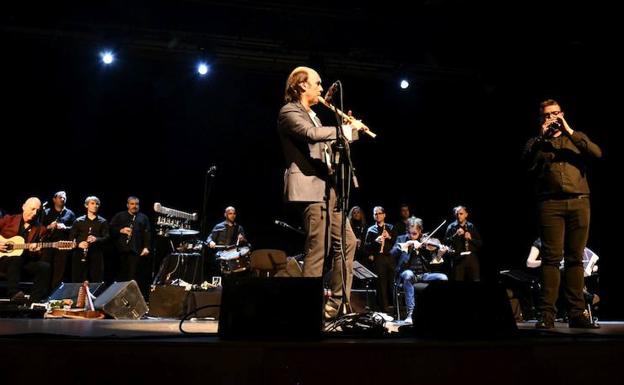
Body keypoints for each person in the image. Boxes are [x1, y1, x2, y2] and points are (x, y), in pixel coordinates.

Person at [277, 66, 367, 318]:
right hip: (309, 187)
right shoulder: (289, 112)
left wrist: (352, 133)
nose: (320, 88)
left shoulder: (315, 115)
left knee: (348, 242)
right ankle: (306, 310)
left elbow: (328, 150)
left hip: (329, 187)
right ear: (302, 85)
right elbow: (310, 135)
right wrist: (343, 131)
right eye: (317, 83)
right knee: (319, 248)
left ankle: (336, 305)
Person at [522, 99, 602, 329]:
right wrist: (541, 137)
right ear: (542, 118)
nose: (552, 118)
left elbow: (596, 153)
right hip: (550, 205)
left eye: (556, 113)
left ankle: (577, 314)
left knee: (575, 258)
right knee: (551, 259)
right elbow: (525, 163)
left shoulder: (575, 138)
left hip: (579, 202)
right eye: (548, 115)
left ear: (562, 114)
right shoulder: (536, 143)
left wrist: (568, 129)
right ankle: (547, 315)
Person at [391, 217, 449, 323]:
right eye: (410, 233)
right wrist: (407, 244)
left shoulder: (426, 242)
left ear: (420, 231)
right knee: (408, 274)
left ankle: (439, 312)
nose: (412, 236)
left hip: (424, 274)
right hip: (407, 274)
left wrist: (440, 254)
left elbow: (434, 262)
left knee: (443, 277)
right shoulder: (401, 239)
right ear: (407, 231)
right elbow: (392, 253)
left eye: (415, 234)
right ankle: (410, 313)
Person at [0, 197, 51, 302]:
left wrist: (35, 251)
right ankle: (14, 294)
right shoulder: (8, 220)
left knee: (44, 267)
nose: (34, 213)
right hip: (3, 261)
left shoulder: (41, 229)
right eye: (32, 209)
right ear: (23, 206)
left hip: (23, 263)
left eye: (37, 210)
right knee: (15, 259)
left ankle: (33, 303)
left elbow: (39, 254)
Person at [110, 196, 151, 288]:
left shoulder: (143, 217)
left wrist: (146, 247)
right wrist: (121, 230)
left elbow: (147, 233)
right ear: (127, 205)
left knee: (133, 277)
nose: (134, 206)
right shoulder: (119, 216)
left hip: (136, 251)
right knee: (119, 276)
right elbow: (110, 229)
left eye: (136, 204)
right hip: (119, 251)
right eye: (132, 204)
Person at [69, 196, 109, 283]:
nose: (95, 206)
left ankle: (95, 297)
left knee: (96, 279)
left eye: (97, 204)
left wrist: (96, 239)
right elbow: (71, 238)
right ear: (86, 205)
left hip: (96, 253)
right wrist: (79, 244)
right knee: (78, 278)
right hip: (79, 253)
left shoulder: (103, 221)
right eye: (92, 203)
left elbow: (107, 238)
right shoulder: (78, 221)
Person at [364, 206, 396, 314]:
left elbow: (397, 243)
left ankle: (396, 308)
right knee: (381, 285)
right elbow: (366, 247)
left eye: (379, 213)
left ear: (384, 215)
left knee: (392, 283)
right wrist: (375, 241)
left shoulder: (391, 227)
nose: (377, 215)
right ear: (374, 216)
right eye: (375, 214)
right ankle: (384, 310)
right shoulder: (370, 230)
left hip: (390, 257)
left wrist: (389, 237)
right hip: (379, 258)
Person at [41, 191, 76, 290]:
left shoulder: (70, 213)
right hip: (48, 245)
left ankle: (54, 294)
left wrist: (65, 227)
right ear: (54, 199)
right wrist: (48, 227)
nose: (62, 199)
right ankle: (43, 292)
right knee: (46, 268)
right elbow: (39, 228)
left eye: (64, 198)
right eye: (60, 197)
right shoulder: (46, 212)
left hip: (63, 247)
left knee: (59, 271)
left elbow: (75, 229)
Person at [444, 205, 482, 281]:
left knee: (476, 280)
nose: (458, 216)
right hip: (458, 258)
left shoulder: (471, 226)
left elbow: (480, 243)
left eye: (461, 214)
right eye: (457, 214)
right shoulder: (451, 227)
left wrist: (471, 238)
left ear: (466, 215)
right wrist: (455, 235)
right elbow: (445, 242)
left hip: (471, 258)